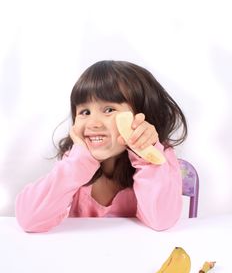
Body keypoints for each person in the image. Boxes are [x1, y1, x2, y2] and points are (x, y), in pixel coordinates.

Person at [15, 60, 187, 233]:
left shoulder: (160, 159)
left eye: (108, 110)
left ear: (142, 115)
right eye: (85, 112)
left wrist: (146, 154)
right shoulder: (75, 162)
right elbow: (29, 220)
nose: (93, 123)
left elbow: (161, 221)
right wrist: (78, 164)